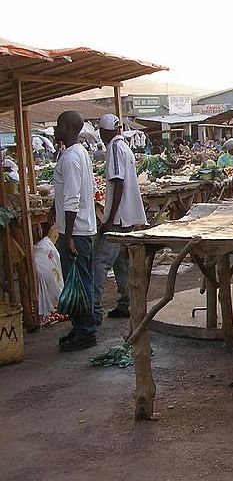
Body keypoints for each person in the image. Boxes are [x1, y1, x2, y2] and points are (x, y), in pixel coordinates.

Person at [93, 114, 148, 320]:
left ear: (103, 132)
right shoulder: (124, 146)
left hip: (118, 218)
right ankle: (126, 303)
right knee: (120, 262)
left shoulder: (115, 148)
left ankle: (94, 309)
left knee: (99, 262)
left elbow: (118, 183)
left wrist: (108, 220)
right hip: (128, 216)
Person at [53, 111, 98, 351]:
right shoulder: (77, 153)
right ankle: (80, 326)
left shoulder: (71, 157)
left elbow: (72, 198)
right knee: (78, 281)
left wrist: (68, 235)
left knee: (81, 280)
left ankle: (86, 331)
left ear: (69, 127)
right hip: (81, 229)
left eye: (58, 125)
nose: (55, 130)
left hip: (76, 232)